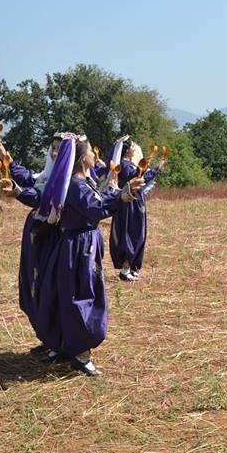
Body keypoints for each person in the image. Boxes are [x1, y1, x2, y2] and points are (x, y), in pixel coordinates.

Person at [33, 135, 143, 376]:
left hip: (83, 244)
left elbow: (100, 200)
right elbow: (96, 209)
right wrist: (123, 195)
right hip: (79, 247)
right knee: (82, 295)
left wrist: (122, 192)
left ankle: (69, 346)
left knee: (78, 293)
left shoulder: (83, 182)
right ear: (83, 159)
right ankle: (80, 353)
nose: (95, 155)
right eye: (92, 152)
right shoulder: (76, 185)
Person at [0, 135, 62, 358]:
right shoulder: (47, 175)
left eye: (60, 150)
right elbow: (29, 178)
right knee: (35, 285)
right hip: (35, 239)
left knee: (50, 287)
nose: (54, 153)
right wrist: (6, 158)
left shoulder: (65, 181)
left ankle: (57, 341)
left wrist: (18, 192)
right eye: (52, 148)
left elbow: (41, 199)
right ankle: (47, 337)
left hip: (51, 240)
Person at [109, 138, 165, 281]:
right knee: (131, 232)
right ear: (127, 150)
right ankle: (125, 267)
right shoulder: (124, 165)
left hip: (135, 203)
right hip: (130, 205)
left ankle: (132, 266)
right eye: (133, 145)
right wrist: (158, 167)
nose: (135, 147)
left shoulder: (129, 164)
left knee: (137, 232)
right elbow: (142, 179)